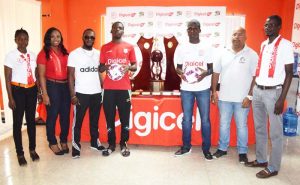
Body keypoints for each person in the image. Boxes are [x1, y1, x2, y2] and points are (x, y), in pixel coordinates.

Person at [245, 15, 294, 178]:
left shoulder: (286, 45)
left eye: (272, 25)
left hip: (274, 93)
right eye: (266, 25)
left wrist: (281, 99)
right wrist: (253, 92)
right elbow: (261, 70)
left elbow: (289, 74)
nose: (268, 27)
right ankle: (261, 159)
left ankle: (273, 167)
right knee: (259, 128)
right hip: (259, 90)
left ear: (279, 27)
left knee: (275, 133)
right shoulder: (264, 44)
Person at [211, 27, 258, 163]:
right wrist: (214, 91)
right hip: (224, 98)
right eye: (234, 34)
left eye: (240, 35)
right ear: (231, 36)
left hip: (242, 99)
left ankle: (242, 152)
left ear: (245, 37)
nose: (237, 37)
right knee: (223, 124)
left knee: (242, 126)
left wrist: (250, 96)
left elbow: (256, 77)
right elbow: (216, 73)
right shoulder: (222, 53)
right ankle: (222, 149)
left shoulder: (252, 54)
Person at [173, 19, 213, 160]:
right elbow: (178, 67)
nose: (192, 31)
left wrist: (205, 74)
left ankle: (206, 149)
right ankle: (186, 147)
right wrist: (181, 73)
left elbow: (211, 69)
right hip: (186, 88)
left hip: (203, 88)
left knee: (205, 120)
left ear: (200, 30)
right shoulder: (181, 47)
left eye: (195, 28)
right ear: (187, 31)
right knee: (186, 119)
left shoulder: (207, 46)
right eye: (190, 28)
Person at [99, 21, 137, 157]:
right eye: (115, 28)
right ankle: (111, 144)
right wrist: (106, 67)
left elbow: (135, 66)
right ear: (111, 30)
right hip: (108, 89)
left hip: (124, 89)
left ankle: (124, 143)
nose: (117, 30)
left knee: (124, 118)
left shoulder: (129, 47)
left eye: (120, 28)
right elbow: (100, 67)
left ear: (123, 31)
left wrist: (128, 67)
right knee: (109, 118)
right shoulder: (104, 48)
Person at [4, 28, 40, 166]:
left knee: (31, 121)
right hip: (17, 90)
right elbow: (7, 78)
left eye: (25, 38)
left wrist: (39, 92)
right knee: (17, 123)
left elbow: (36, 75)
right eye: (20, 38)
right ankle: (20, 153)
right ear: (15, 40)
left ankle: (32, 149)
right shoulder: (11, 56)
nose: (23, 41)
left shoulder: (33, 54)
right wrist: (10, 98)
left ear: (28, 40)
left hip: (31, 90)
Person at [68, 29, 104, 159]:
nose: (89, 39)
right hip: (81, 93)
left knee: (94, 121)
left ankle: (95, 142)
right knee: (77, 122)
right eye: (87, 37)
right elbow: (70, 76)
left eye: (92, 37)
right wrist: (72, 95)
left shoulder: (98, 54)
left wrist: (103, 88)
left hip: (96, 93)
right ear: (83, 37)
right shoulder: (74, 54)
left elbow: (99, 72)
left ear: (94, 39)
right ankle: (76, 146)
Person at [37, 27, 70, 155]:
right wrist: (44, 93)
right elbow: (41, 76)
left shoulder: (65, 52)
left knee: (65, 116)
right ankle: (52, 142)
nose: (56, 39)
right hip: (52, 86)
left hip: (65, 87)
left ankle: (63, 140)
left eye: (58, 36)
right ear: (48, 38)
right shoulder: (43, 53)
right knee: (52, 115)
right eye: (52, 36)